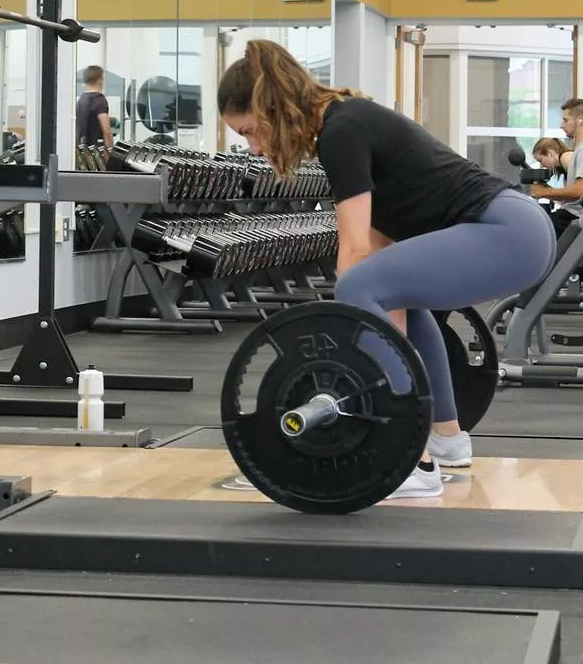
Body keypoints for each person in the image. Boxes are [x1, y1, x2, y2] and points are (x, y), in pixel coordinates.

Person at [217, 39, 557, 501]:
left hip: (507, 229)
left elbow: (354, 255)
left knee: (360, 283)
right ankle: (446, 438)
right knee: (389, 292)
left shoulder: (343, 129)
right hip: (519, 229)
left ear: (274, 107)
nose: (255, 148)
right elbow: (378, 250)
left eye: (251, 131)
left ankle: (407, 458)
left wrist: (340, 347)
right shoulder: (346, 122)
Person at [531, 98, 583, 206]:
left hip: (575, 217)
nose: (561, 125)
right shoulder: (581, 150)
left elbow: (581, 191)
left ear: (580, 121)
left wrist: (543, 192)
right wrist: (548, 191)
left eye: (566, 120)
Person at [76, 66, 114, 151]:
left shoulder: (81, 100)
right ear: (100, 79)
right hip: (95, 153)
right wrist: (111, 154)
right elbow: (107, 132)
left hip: (81, 152)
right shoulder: (99, 100)